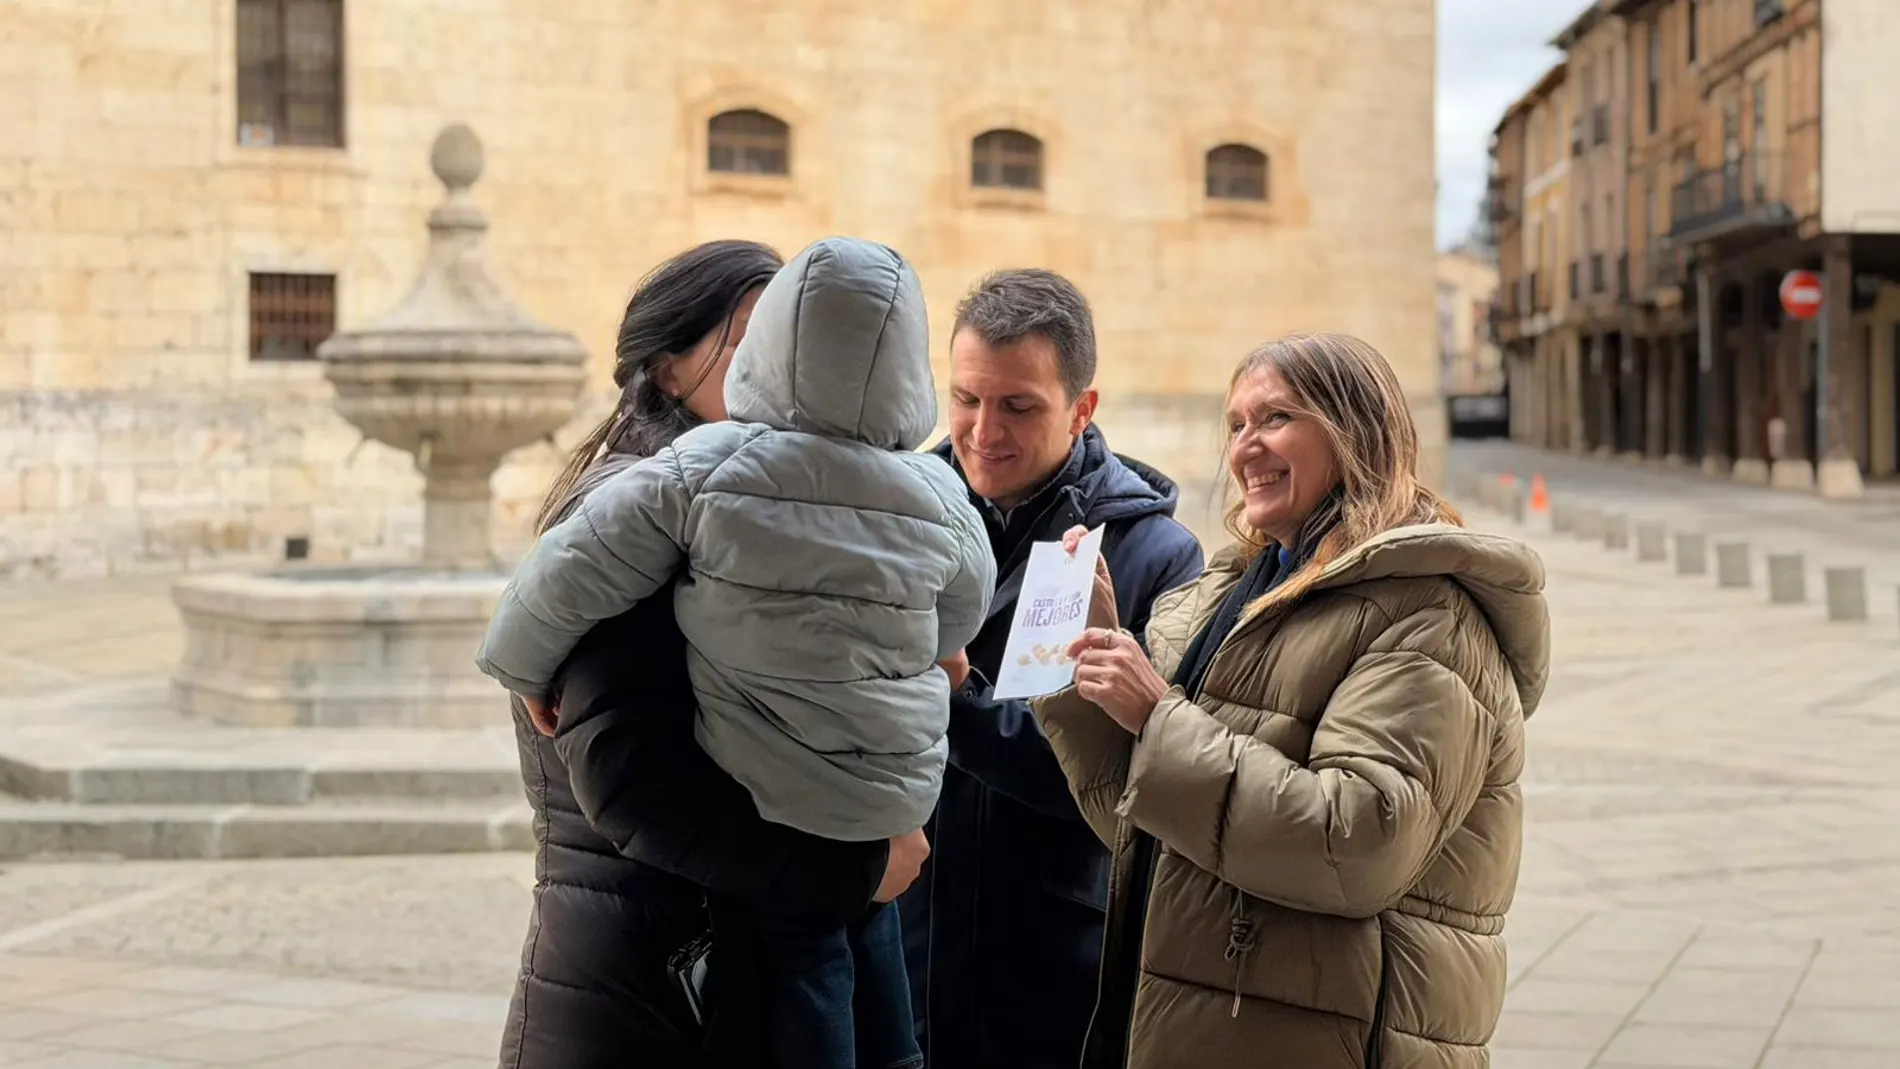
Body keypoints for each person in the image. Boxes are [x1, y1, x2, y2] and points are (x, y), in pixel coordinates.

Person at [480, 236, 995, 1069]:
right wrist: (860, 865)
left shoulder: (772, 509)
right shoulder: (649, 512)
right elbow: (631, 781)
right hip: (649, 994)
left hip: (697, 972)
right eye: (756, 341)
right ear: (668, 364)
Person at [1034, 331, 1552, 1068]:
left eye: (1276, 418)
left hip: (1328, 1035)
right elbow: (1151, 825)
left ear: (1355, 432)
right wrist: (1084, 673)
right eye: (1237, 424)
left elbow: (1360, 839)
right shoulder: (1236, 591)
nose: (1246, 446)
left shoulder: (1429, 615)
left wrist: (1156, 716)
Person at [898, 269, 1205, 1069]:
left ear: (1083, 407)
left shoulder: (1154, 557)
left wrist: (951, 693)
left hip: (1053, 960)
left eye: (1018, 405)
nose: (982, 429)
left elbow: (1100, 769)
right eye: (966, 398)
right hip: (902, 934)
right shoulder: (899, 522)